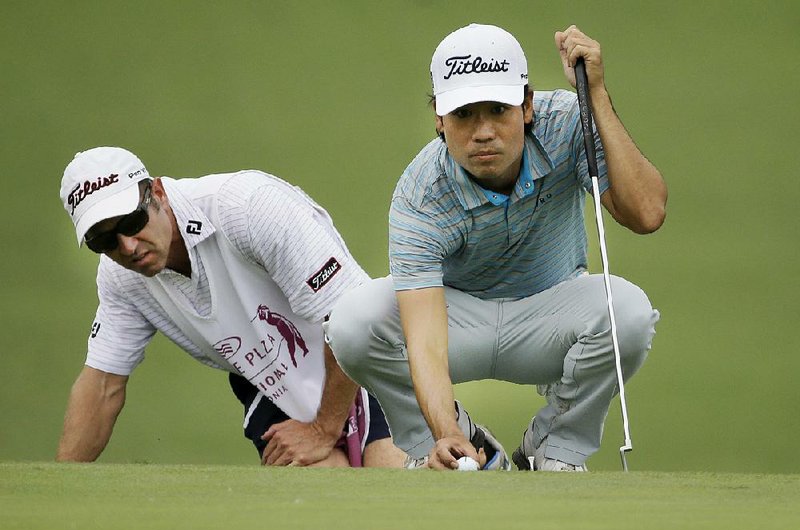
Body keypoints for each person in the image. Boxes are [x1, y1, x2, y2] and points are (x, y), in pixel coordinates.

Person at [325, 23, 667, 471]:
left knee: (630, 313)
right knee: (353, 324)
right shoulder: (419, 193)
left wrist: (595, 95)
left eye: (498, 109)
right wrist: (444, 429)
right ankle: (457, 445)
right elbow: (424, 340)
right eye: (464, 114)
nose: (483, 131)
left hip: (550, 315)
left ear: (526, 107)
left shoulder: (567, 122)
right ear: (439, 119)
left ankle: (555, 448)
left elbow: (646, 213)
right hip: (459, 322)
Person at [56, 146, 407, 468]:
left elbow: (350, 319)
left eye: (132, 223)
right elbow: (102, 384)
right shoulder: (120, 278)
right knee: (321, 489)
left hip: (362, 358)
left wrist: (323, 429)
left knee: (390, 472)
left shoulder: (248, 207)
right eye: (104, 241)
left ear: (158, 193)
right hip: (271, 385)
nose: (128, 247)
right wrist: (60, 492)